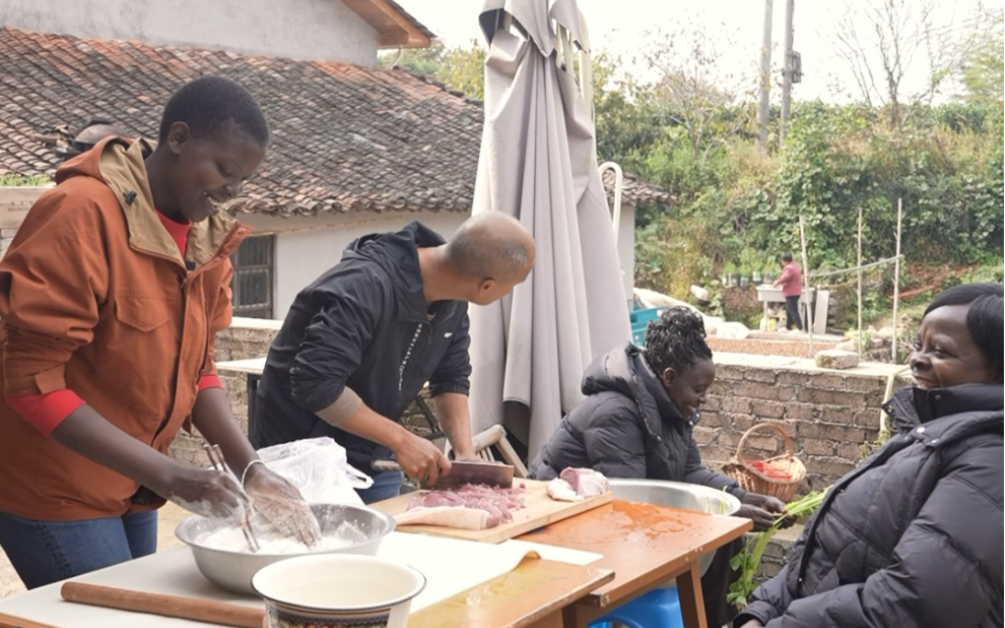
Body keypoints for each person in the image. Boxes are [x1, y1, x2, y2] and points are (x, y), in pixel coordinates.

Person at [0, 76, 320, 590]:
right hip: (57, 484)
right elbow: (30, 382)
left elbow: (200, 371)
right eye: (224, 169)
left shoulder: (204, 242)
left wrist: (251, 468)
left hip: (137, 482)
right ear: (177, 138)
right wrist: (173, 475)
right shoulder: (81, 213)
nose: (232, 191)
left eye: (243, 180)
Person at [734, 282, 1004, 628]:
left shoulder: (991, 463)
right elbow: (829, 556)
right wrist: (761, 611)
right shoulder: (928, 435)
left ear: (995, 370)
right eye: (918, 345)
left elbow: (913, 606)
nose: (917, 359)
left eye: (940, 351)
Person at [529, 306, 791, 628]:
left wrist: (744, 498)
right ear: (668, 376)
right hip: (564, 526)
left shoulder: (673, 409)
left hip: (610, 520)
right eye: (699, 390)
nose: (703, 399)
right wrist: (724, 516)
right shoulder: (616, 412)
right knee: (719, 534)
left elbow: (690, 473)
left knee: (728, 539)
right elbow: (627, 506)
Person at [252, 213, 535, 504]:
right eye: (509, 287)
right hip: (300, 460)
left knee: (385, 540)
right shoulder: (364, 285)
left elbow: (451, 377)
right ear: (486, 286)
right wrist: (402, 439)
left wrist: (465, 453)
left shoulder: (452, 300)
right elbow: (315, 383)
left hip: (372, 454)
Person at [772, 253, 802, 331]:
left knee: (793, 311)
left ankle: (800, 328)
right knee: (789, 311)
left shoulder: (789, 268)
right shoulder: (795, 266)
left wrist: (776, 282)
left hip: (791, 292)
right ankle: (788, 327)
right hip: (795, 291)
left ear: (784, 261)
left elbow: (784, 278)